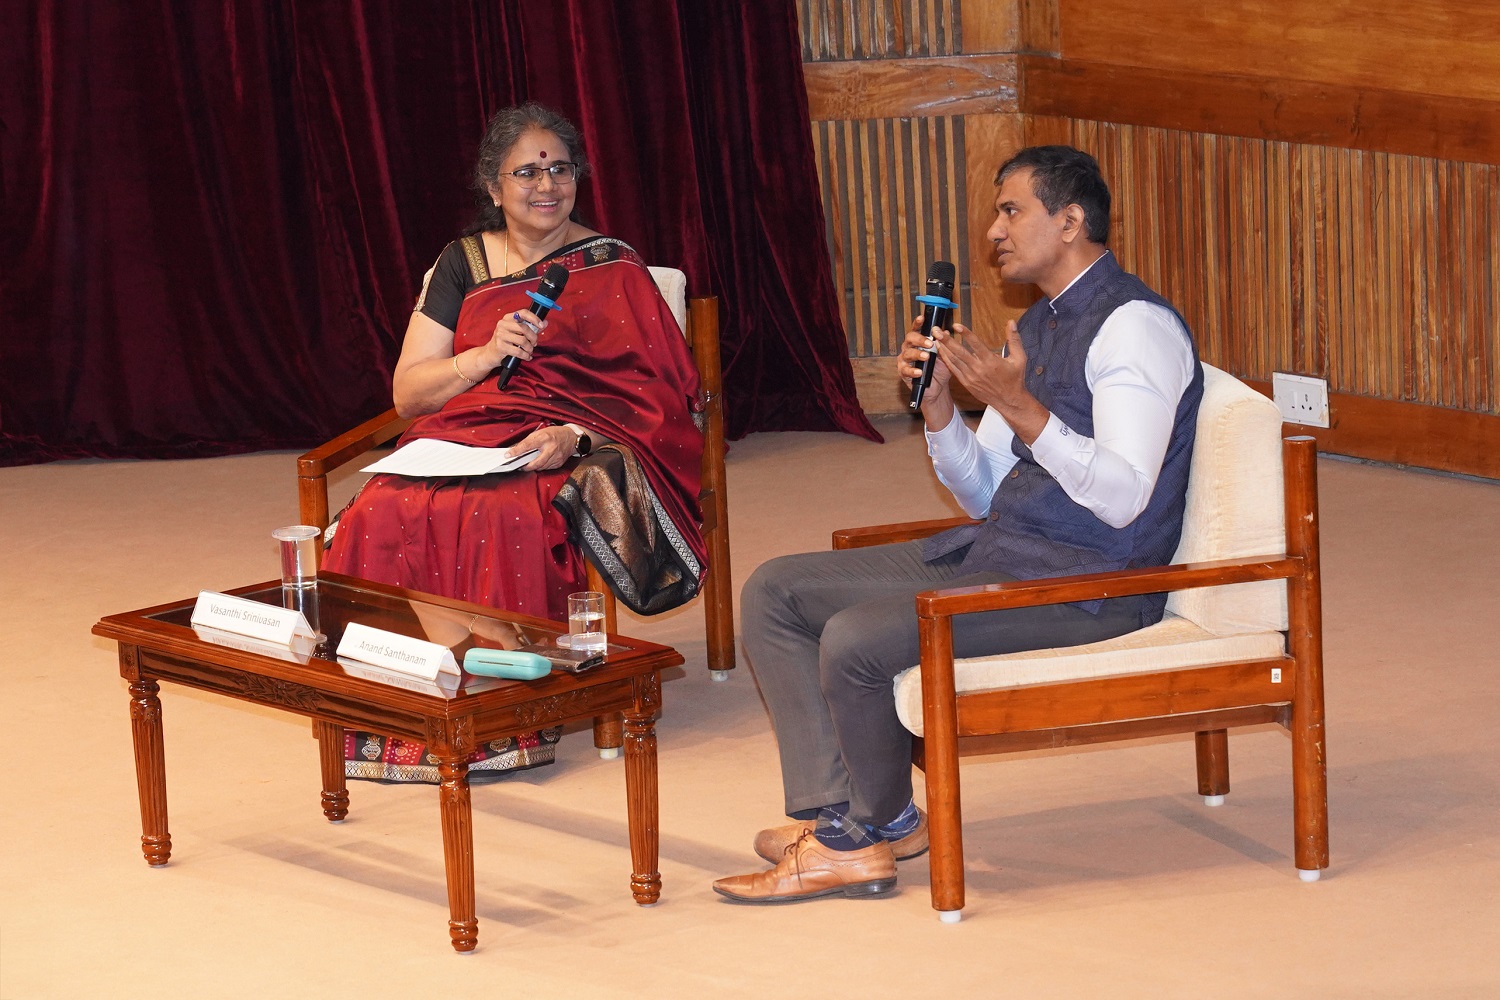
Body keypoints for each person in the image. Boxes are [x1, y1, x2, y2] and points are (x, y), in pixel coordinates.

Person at [713, 145, 1204, 902]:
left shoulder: (1133, 327)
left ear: (1070, 220)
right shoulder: (1039, 325)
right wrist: (944, 409)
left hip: (1089, 582)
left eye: (1011, 210)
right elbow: (987, 493)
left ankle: (856, 840)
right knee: (776, 591)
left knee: (856, 640)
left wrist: (1018, 407)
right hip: (1003, 546)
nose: (993, 231)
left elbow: (1125, 499)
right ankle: (867, 817)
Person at [323, 103, 707, 784]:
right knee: (382, 506)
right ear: (493, 188)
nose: (546, 184)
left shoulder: (610, 266)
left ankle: (503, 709)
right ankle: (411, 705)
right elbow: (409, 396)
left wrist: (574, 435)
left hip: (555, 442)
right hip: (463, 433)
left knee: (504, 514)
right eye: (525, 172)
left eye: (559, 168)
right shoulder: (460, 263)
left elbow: (659, 394)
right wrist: (479, 358)